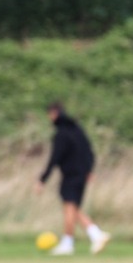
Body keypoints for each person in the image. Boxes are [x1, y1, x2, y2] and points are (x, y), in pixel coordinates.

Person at [38, 101, 109, 254]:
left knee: (69, 208)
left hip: (71, 176)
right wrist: (89, 170)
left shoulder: (61, 134)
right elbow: (89, 151)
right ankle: (95, 234)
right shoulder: (77, 130)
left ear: (54, 114)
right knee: (73, 208)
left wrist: (43, 179)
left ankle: (68, 243)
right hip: (82, 175)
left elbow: (54, 158)